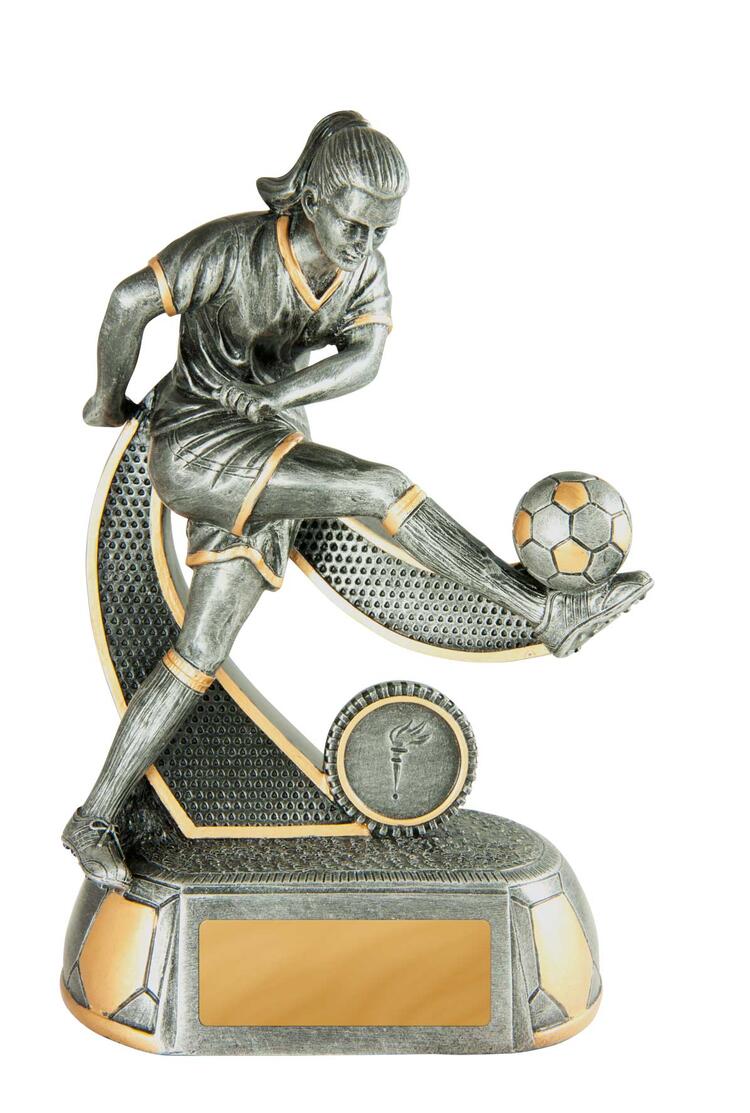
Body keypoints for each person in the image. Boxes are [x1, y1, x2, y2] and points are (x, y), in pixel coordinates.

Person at [64, 111, 651, 890]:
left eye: (383, 230)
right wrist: (108, 400)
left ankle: (95, 815)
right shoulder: (231, 248)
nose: (366, 244)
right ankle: (542, 609)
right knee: (378, 486)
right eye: (354, 224)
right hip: (202, 448)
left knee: (198, 654)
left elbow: (366, 357)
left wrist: (280, 396)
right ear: (311, 198)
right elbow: (128, 301)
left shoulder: (363, 270)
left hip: (268, 453)